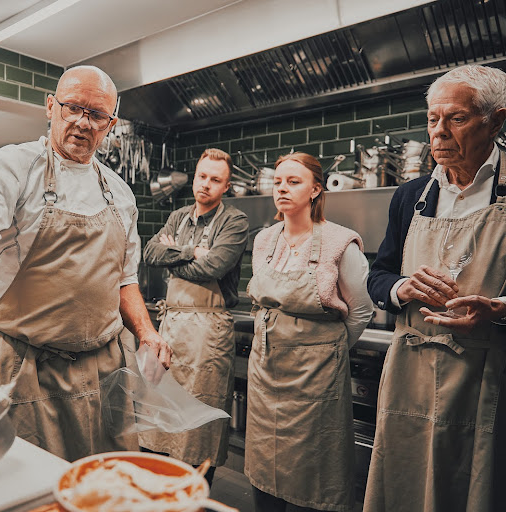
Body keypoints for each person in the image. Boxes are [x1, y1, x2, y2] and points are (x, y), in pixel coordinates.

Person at [0, 65, 172, 462]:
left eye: (96, 115)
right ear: (50, 106)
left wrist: (146, 332)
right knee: (35, 490)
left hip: (106, 367)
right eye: (73, 107)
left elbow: (124, 280)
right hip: (29, 370)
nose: (82, 122)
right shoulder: (13, 167)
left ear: (110, 124)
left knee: (106, 481)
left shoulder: (120, 193)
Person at [364, 65, 506, 512]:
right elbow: (378, 275)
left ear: (496, 120)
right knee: (405, 485)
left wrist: (498, 307)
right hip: (411, 371)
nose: (438, 133)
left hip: (485, 374)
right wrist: (403, 287)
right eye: (431, 119)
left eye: (456, 119)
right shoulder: (411, 196)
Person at [244, 152, 373, 512]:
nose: (282, 188)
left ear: (316, 189)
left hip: (315, 377)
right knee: (264, 464)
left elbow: (362, 309)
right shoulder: (264, 240)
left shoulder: (340, 242)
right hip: (266, 369)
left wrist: (326, 350)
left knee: (313, 471)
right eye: (278, 182)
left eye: (294, 181)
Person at [137, 148, 249, 485]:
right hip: (169, 328)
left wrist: (173, 257)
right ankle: (153, 497)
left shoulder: (235, 221)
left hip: (208, 332)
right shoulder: (177, 217)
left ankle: (193, 496)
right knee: (156, 414)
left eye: (216, 180)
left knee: (197, 423)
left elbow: (213, 266)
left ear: (226, 186)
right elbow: (150, 252)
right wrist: (189, 251)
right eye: (202, 176)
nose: (206, 185)